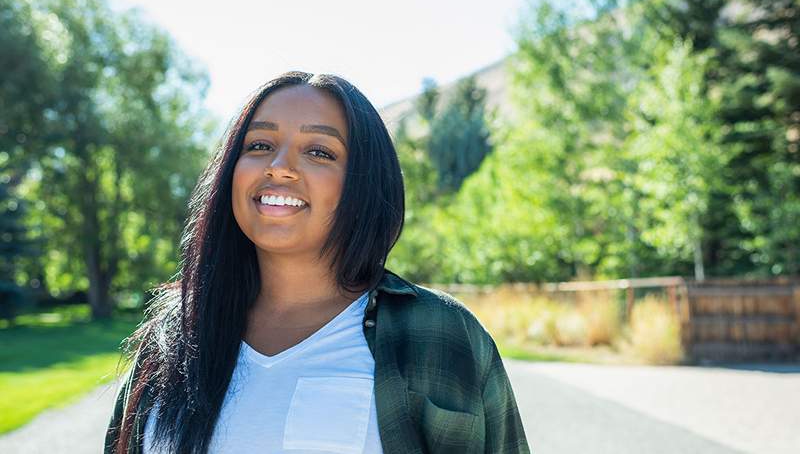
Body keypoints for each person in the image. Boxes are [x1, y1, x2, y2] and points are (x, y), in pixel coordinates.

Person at [104, 71, 530, 454]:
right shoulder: (174, 336)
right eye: (259, 145)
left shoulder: (439, 333)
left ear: (363, 183)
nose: (280, 167)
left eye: (320, 152)